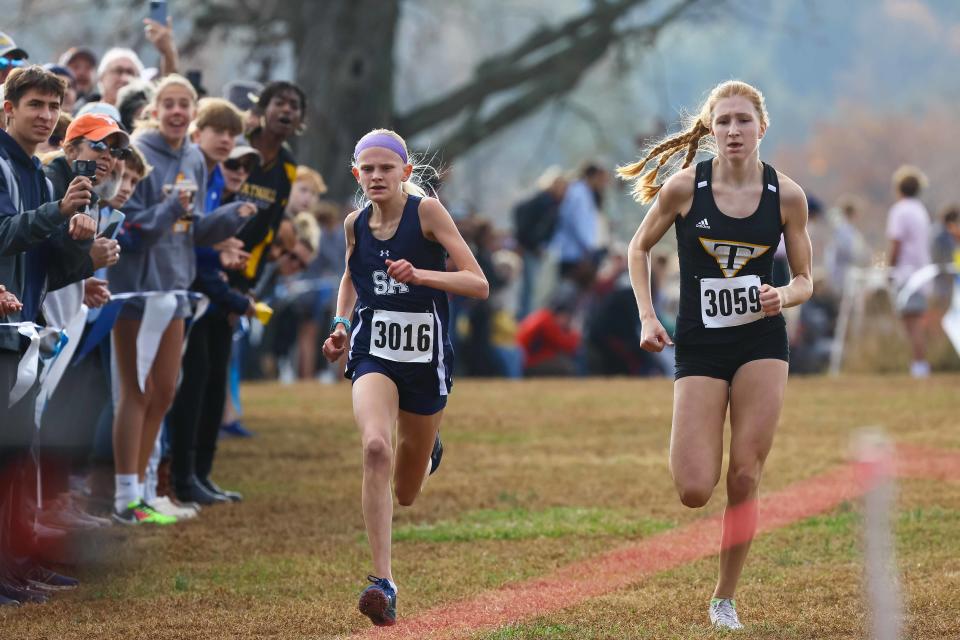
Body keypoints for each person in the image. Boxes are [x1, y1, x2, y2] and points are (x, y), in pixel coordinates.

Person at [617, 80, 812, 630]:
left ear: (761, 128)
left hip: (761, 341)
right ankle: (691, 434)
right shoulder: (684, 189)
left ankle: (724, 597)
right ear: (709, 129)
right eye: (723, 121)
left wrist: (785, 295)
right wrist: (648, 315)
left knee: (745, 474)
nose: (733, 130)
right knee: (695, 489)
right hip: (700, 344)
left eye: (743, 121)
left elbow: (805, 280)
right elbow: (638, 246)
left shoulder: (787, 197)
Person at [322, 129, 488, 627]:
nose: (376, 176)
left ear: (405, 173)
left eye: (386, 169)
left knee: (408, 491)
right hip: (375, 351)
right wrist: (341, 325)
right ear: (357, 174)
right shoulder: (355, 225)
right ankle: (383, 583)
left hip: (427, 360)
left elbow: (476, 283)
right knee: (375, 447)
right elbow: (352, 275)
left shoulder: (427, 214)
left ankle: (429, 446)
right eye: (367, 169)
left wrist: (421, 275)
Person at [106, 74, 249, 526]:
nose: (176, 112)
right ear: (154, 109)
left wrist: (233, 217)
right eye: (167, 103)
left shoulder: (192, 155)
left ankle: (147, 491)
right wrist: (172, 208)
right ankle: (125, 494)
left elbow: (195, 229)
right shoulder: (140, 153)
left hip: (177, 290)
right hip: (137, 290)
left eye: (183, 104)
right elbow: (129, 229)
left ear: (192, 113)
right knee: (137, 390)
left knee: (166, 390)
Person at [886, 165, 932, 378]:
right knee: (916, 322)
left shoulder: (900, 210)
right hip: (923, 273)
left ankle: (919, 365)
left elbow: (896, 242)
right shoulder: (921, 210)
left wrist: (890, 267)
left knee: (910, 322)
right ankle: (919, 362)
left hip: (906, 273)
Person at [512, 166, 567, 319]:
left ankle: (526, 317)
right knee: (529, 287)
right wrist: (528, 243)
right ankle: (523, 319)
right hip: (530, 248)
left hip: (536, 249)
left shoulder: (553, 203)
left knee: (532, 287)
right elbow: (522, 216)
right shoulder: (543, 200)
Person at [551, 162, 609, 289]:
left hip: (577, 252)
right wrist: (589, 246)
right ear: (593, 176)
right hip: (573, 253)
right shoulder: (578, 193)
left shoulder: (585, 193)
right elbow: (578, 222)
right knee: (567, 291)